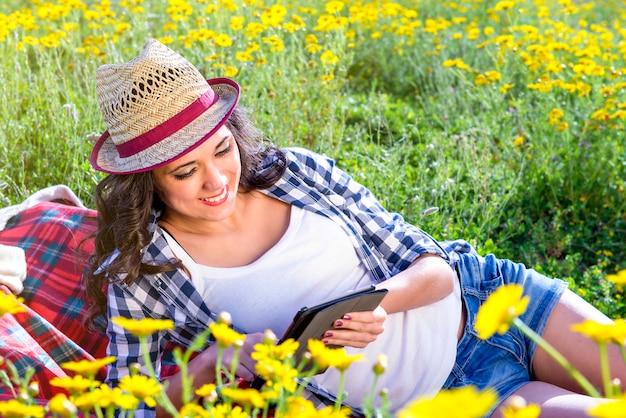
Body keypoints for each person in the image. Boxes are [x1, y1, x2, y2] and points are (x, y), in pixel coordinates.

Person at [86, 39, 626, 418]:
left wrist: (377, 305)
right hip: (440, 403)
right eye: (185, 171)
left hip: (494, 303)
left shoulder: (295, 172)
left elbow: (434, 268)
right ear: (145, 183)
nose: (216, 180)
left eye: (223, 149)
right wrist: (212, 362)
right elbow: (131, 408)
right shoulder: (141, 274)